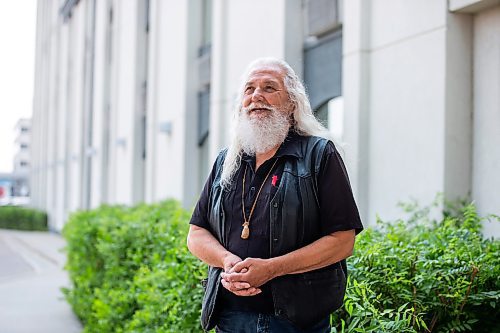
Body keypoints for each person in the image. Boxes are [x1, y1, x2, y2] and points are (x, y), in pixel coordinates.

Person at [187, 57, 363, 333]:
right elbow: (196, 233)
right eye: (249, 89)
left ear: (292, 103)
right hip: (230, 318)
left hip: (296, 321)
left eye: (269, 88)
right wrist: (226, 261)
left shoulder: (319, 155)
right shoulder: (226, 160)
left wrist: (272, 269)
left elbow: (342, 242)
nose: (257, 96)